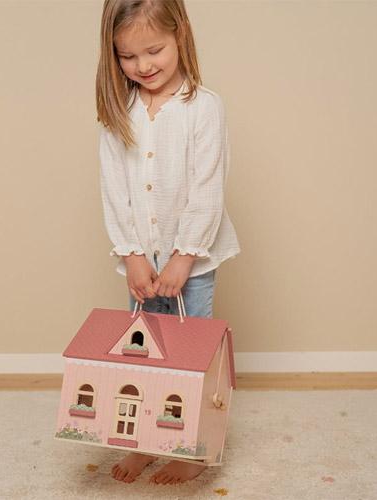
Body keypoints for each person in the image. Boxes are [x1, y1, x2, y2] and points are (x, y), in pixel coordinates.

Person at [96, 0, 240, 485]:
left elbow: (208, 186)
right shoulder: (119, 112)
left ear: (180, 36)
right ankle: (142, 442)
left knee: (188, 358)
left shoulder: (204, 107)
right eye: (128, 56)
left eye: (154, 50)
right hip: (142, 261)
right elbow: (114, 187)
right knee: (144, 357)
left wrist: (184, 255)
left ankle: (191, 448)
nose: (143, 66)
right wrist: (132, 254)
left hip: (191, 261)